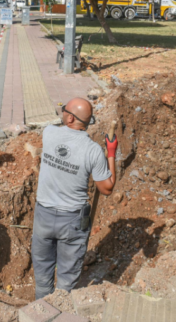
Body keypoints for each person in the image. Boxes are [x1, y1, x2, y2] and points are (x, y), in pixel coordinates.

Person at [31, 98, 118, 299]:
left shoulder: (49, 133)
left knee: (43, 280)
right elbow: (106, 188)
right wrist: (111, 153)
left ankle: (39, 314)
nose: (62, 113)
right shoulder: (93, 151)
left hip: (43, 217)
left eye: (64, 111)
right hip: (72, 222)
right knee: (66, 285)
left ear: (70, 117)